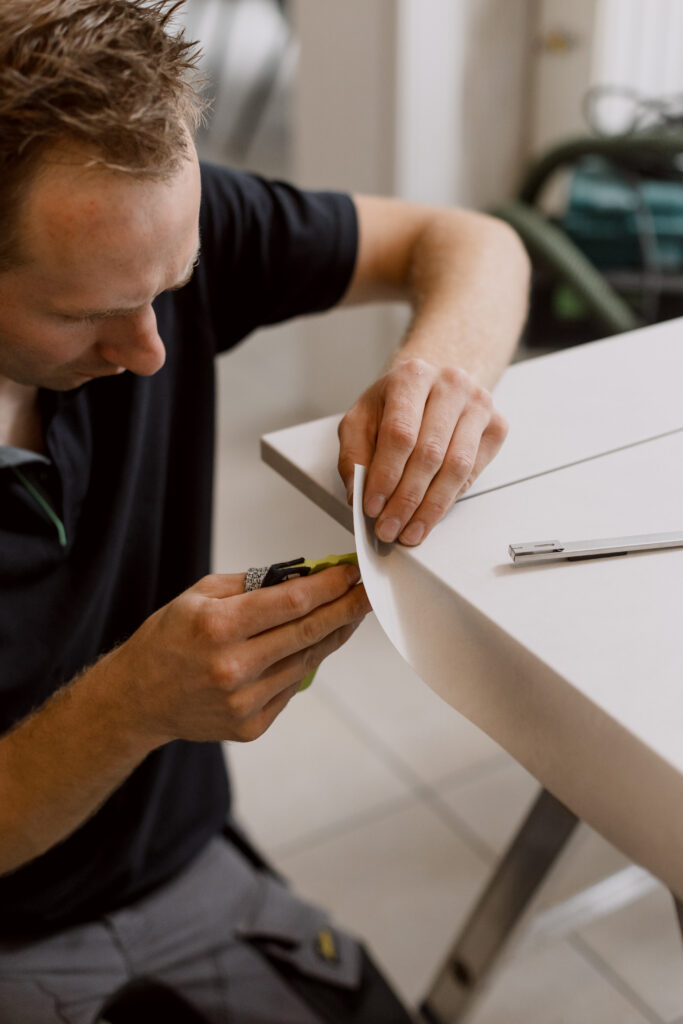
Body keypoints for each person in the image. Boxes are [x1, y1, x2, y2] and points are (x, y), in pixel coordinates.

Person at [0, 1, 530, 1021]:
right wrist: (130, 706)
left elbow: (473, 243)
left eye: (175, 284)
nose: (150, 351)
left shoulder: (128, 225)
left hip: (185, 864)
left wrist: (439, 377)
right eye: (84, 314)